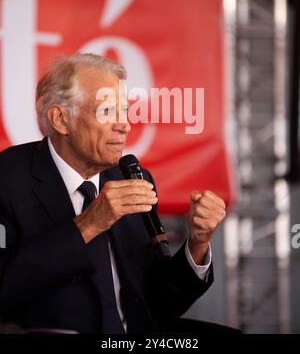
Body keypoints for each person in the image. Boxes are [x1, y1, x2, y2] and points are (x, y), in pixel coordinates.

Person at [0, 54, 226, 334]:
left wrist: (197, 244)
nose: (125, 125)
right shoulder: (8, 178)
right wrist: (90, 223)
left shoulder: (130, 178)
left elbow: (160, 302)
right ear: (60, 119)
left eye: (124, 111)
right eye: (107, 112)